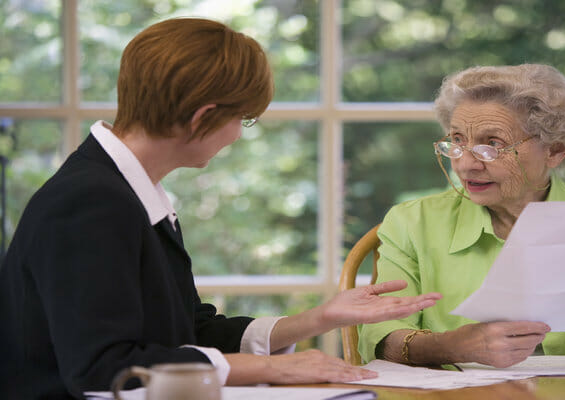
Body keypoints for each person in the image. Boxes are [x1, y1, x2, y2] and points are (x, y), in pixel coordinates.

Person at [0, 18, 442, 399]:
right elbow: (104, 367)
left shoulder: (127, 192)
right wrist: (273, 369)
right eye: (242, 119)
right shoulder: (90, 202)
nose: (238, 135)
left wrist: (319, 318)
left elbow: (190, 333)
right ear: (201, 117)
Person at [358, 64, 565, 368]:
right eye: (457, 140)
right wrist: (452, 346)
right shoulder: (412, 223)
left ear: (555, 150)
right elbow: (380, 338)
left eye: (491, 145)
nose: (465, 164)